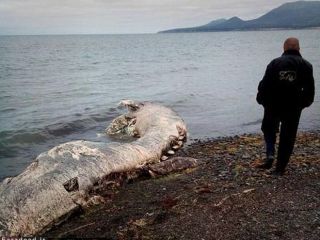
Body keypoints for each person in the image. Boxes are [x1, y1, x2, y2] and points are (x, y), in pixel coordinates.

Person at [256, 37, 315, 175]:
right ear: (299, 49)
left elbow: (264, 85)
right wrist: (303, 104)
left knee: (268, 128)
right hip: (293, 106)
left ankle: (270, 154)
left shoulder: (275, 63)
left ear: (284, 48)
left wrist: (261, 100)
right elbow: (310, 90)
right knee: (288, 137)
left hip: (273, 104)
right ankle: (280, 168)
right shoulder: (306, 65)